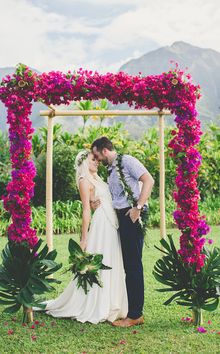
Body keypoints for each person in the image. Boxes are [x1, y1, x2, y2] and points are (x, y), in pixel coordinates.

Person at [34, 150, 128, 324]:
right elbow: (86, 210)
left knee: (113, 261)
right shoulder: (84, 181)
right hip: (101, 225)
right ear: (84, 163)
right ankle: (97, 303)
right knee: (101, 261)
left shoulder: (97, 178)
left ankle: (111, 304)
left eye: (96, 159)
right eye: (93, 159)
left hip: (111, 223)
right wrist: (84, 239)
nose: (97, 161)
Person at [91, 137, 154, 328]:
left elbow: (148, 179)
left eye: (96, 155)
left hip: (132, 214)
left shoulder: (127, 161)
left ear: (104, 150)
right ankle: (133, 310)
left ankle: (135, 315)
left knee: (133, 264)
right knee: (129, 263)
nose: (96, 159)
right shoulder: (111, 170)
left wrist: (138, 207)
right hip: (122, 215)